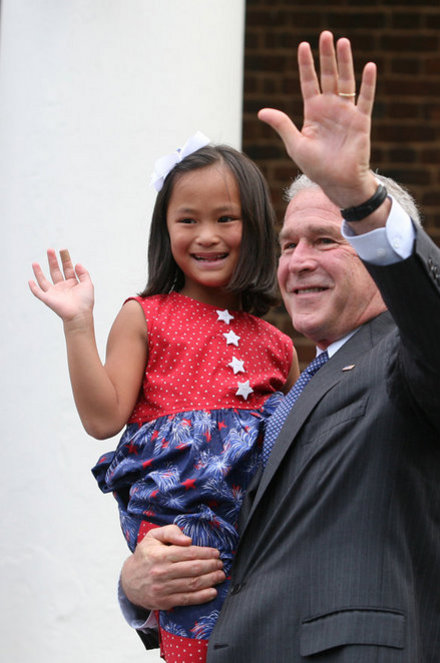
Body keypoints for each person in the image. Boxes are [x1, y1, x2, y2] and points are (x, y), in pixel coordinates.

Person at [119, 31, 440, 662]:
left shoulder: (409, 361)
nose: (298, 262)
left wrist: (361, 198)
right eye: (289, 245)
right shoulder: (283, 389)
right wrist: (139, 586)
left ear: (376, 254)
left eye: (327, 240)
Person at [28, 135, 300, 662]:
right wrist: (78, 324)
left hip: (265, 548)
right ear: (165, 228)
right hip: (183, 549)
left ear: (259, 229)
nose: (207, 236)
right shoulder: (145, 316)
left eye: (226, 218)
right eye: (188, 219)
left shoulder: (278, 344)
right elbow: (104, 418)